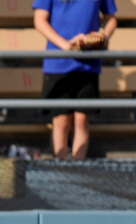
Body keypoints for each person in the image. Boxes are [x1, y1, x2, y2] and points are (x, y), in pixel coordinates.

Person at [33, 0, 117, 160]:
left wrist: (102, 36)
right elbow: (39, 19)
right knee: (61, 120)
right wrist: (65, 46)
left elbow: (111, 18)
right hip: (57, 63)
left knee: (82, 119)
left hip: (88, 63)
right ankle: (61, 171)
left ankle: (78, 169)